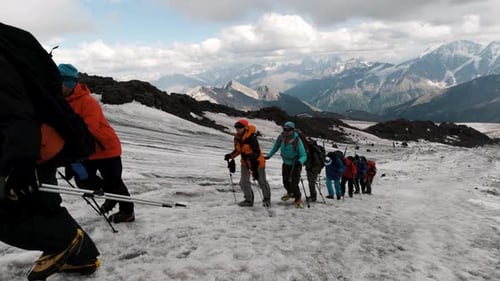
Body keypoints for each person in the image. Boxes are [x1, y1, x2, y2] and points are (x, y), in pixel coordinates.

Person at [0, 31, 100, 280]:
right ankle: (82, 260)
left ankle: (65, 242)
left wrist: (18, 165)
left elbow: (14, 112)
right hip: (42, 140)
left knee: (10, 212)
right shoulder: (10, 38)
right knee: (45, 206)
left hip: (29, 146)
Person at [58, 63, 134, 223]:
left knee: (114, 182)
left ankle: (127, 212)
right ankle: (111, 196)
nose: (58, 86)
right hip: (87, 151)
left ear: (69, 83)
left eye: (61, 83)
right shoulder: (61, 101)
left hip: (105, 148)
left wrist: (70, 148)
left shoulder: (87, 102)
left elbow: (88, 129)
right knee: (84, 181)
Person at [224, 119, 271, 207]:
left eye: (240, 127)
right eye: (236, 127)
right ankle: (249, 200)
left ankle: (267, 199)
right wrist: (230, 156)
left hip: (257, 162)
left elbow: (256, 152)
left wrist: (250, 157)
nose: (237, 129)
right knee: (243, 182)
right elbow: (238, 150)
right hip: (245, 163)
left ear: (245, 128)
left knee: (261, 181)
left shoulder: (251, 137)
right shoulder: (237, 137)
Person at [265, 121, 307, 208]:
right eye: (285, 129)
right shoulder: (281, 137)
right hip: (286, 163)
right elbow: (275, 147)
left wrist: (300, 162)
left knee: (294, 183)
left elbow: (303, 155)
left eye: (288, 130)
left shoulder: (297, 140)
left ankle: (298, 198)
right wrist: (269, 156)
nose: (286, 131)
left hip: (295, 164)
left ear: (293, 130)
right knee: (285, 182)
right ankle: (290, 193)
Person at [304, 138, 325, 202]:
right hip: (313, 169)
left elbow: (316, 162)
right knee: (311, 183)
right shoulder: (315, 150)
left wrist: (310, 167)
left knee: (311, 183)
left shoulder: (313, 151)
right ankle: (312, 196)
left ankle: (313, 197)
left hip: (312, 169)